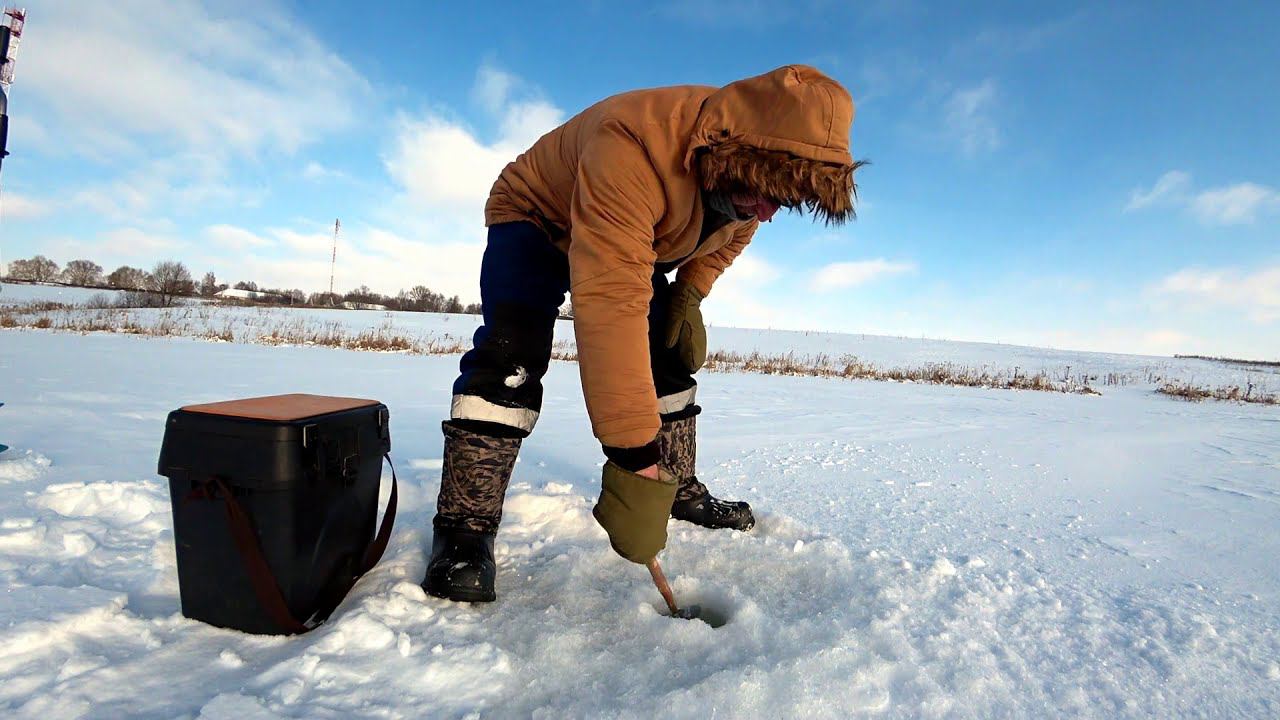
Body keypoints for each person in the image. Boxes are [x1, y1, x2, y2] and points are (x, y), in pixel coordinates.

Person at [423, 65, 864, 602]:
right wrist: (633, 455)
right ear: (733, 155)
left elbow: (730, 237)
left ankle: (676, 488)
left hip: (636, 235)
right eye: (766, 193)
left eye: (784, 201)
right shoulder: (632, 146)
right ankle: (465, 527)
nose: (769, 215)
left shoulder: (750, 188)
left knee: (668, 359)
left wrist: (689, 296)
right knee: (511, 359)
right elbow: (609, 303)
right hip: (539, 218)